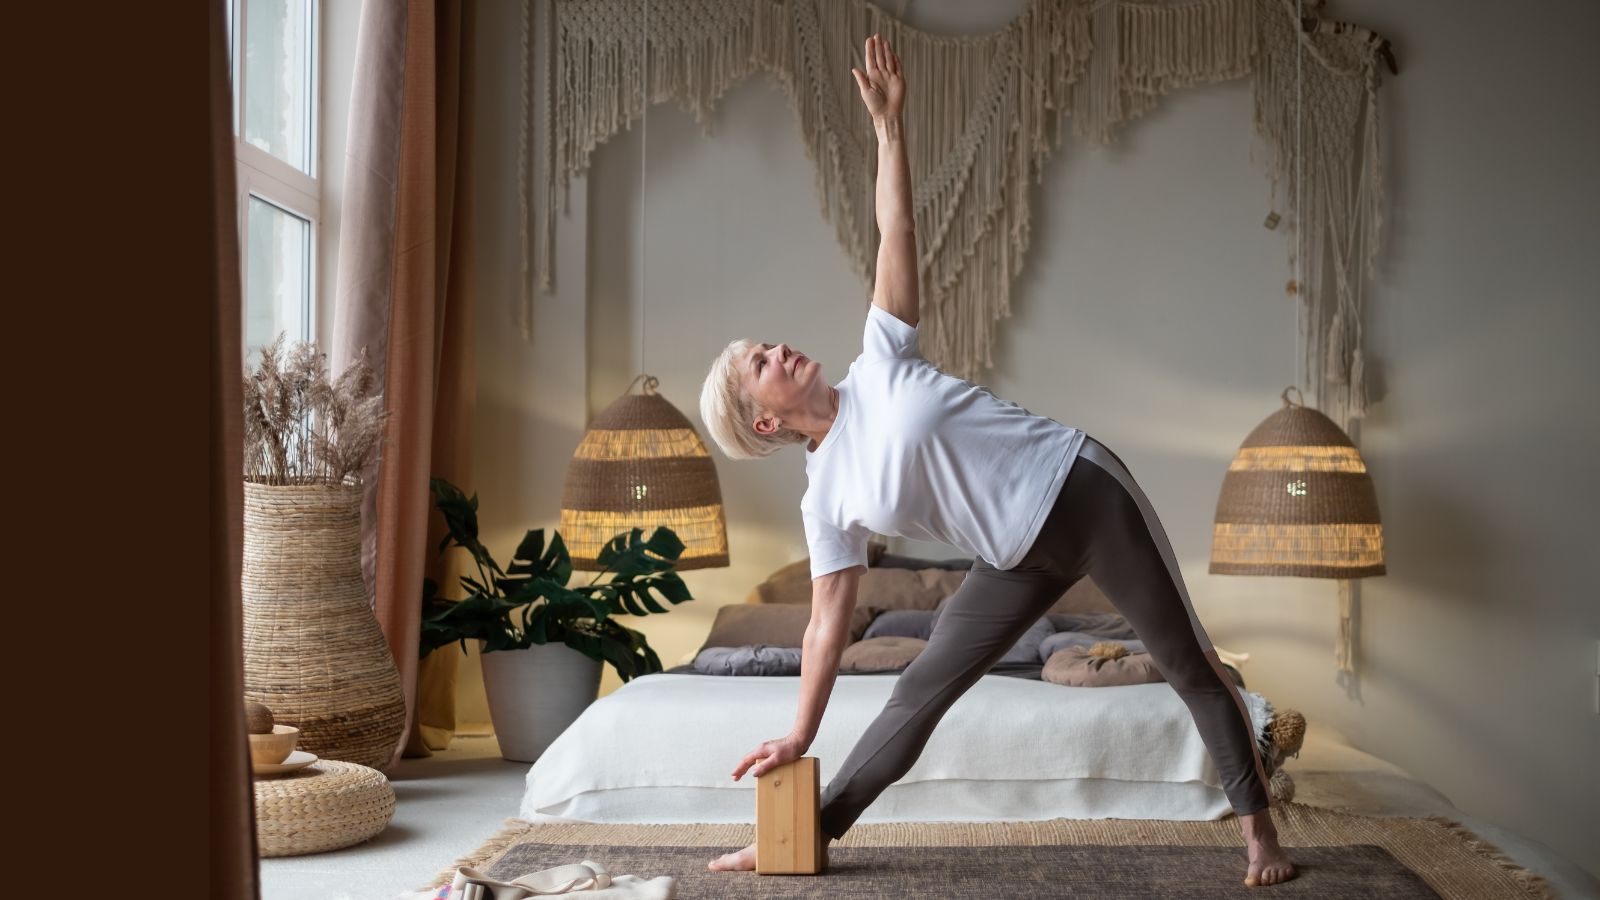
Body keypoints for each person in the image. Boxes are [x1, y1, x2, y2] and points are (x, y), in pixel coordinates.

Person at [696, 34, 1295, 887]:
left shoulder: (881, 357)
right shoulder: (825, 496)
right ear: (763, 422)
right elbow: (828, 622)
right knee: (916, 695)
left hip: (1085, 493)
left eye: (768, 343)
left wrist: (890, 133)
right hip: (1012, 558)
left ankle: (1260, 839)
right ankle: (806, 835)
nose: (781, 348)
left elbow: (894, 227)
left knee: (1184, 659)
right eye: (762, 361)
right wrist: (799, 734)